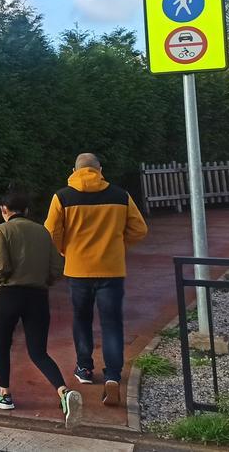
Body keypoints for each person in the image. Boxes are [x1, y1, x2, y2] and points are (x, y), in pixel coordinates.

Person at [45, 153, 149, 407]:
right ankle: (112, 376)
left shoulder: (62, 197)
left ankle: (84, 368)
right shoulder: (120, 195)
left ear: (74, 170)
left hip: (78, 270)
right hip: (111, 270)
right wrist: (118, 245)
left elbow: (50, 231)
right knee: (112, 323)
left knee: (82, 318)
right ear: (99, 169)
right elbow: (139, 229)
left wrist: (64, 250)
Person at [0, 186, 83, 429]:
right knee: (38, 351)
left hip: (10, 294)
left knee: (2, 344)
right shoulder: (42, 232)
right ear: (27, 210)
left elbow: (0, 264)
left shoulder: (1, 230)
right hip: (38, 296)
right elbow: (56, 267)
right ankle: (63, 392)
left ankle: (4, 394)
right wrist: (44, 282)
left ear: (4, 210)